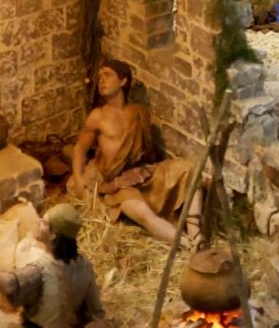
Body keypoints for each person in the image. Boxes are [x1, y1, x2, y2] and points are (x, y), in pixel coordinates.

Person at [68, 58, 197, 246]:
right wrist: (79, 178)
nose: (101, 81)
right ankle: (188, 246)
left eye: (107, 75)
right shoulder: (98, 116)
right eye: (99, 77)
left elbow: (149, 154)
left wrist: (153, 171)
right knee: (140, 212)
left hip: (141, 174)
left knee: (189, 169)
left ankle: (196, 234)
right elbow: (80, 149)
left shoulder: (139, 113)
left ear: (123, 81)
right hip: (117, 185)